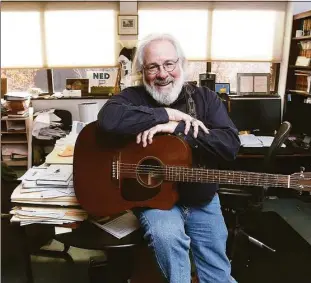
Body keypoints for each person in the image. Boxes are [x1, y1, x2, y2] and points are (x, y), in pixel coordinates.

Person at [97, 33, 240, 283]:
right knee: (168, 238)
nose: (162, 74)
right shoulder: (133, 97)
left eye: (169, 64)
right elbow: (108, 120)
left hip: (201, 197)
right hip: (156, 201)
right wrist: (166, 114)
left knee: (217, 271)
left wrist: (177, 128)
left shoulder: (206, 99)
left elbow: (230, 146)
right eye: (153, 66)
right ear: (143, 71)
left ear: (181, 64)